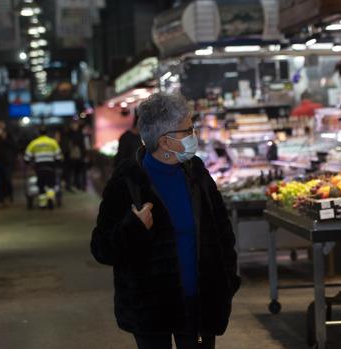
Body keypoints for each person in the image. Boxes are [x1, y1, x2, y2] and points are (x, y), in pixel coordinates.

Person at [91, 93, 240, 349]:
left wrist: (226, 282)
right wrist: (133, 229)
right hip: (151, 311)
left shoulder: (197, 174)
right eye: (188, 130)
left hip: (200, 305)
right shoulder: (127, 181)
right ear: (166, 141)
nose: (193, 135)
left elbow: (222, 232)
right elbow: (101, 248)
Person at [24, 126, 63, 208]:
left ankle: (42, 204)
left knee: (41, 185)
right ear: (47, 133)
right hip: (50, 166)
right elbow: (59, 156)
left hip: (39, 167)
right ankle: (50, 200)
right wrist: (58, 163)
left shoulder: (34, 143)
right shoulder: (53, 142)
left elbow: (27, 156)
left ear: (39, 133)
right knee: (51, 184)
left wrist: (28, 162)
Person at [63, 120, 88, 191]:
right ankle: (70, 186)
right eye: (73, 124)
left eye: (75, 124)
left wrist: (85, 155)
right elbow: (65, 145)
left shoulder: (81, 134)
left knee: (79, 172)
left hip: (79, 157)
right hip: (69, 157)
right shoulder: (67, 135)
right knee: (70, 172)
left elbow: (84, 146)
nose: (74, 126)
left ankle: (79, 185)